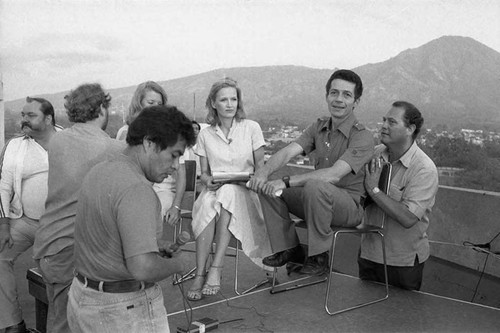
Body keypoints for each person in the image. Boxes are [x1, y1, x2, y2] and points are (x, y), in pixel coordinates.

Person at [67, 106, 195, 333]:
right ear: (149, 143)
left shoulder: (99, 171)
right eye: (174, 155)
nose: (175, 166)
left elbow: (106, 238)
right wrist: (179, 264)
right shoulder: (137, 188)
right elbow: (143, 268)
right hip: (121, 311)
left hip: (83, 298)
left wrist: (151, 245)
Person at [248, 69, 374, 275]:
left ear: (356, 102)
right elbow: (289, 152)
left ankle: (319, 257)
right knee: (267, 188)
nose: (339, 99)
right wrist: (263, 172)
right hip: (315, 199)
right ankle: (289, 248)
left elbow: (333, 175)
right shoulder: (319, 126)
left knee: (315, 186)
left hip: (348, 207)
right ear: (327, 96)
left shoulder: (363, 136)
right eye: (334, 93)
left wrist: (286, 181)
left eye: (346, 95)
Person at [32, 83, 124, 333]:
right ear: (102, 109)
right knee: (67, 324)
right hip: (71, 249)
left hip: (48, 243)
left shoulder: (58, 141)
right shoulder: (113, 149)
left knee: (60, 318)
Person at [187, 78, 272, 301]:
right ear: (213, 104)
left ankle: (215, 267)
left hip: (246, 192)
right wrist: (207, 181)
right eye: (223, 100)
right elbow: (204, 173)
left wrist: (250, 179)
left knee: (227, 194)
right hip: (215, 192)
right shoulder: (205, 134)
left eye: (233, 99)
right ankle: (200, 273)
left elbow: (261, 168)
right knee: (207, 203)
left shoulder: (251, 128)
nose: (229, 104)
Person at [360, 101, 438, 290]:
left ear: (410, 129)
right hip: (368, 254)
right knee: (364, 315)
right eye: (384, 120)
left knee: (400, 318)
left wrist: (374, 190)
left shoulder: (423, 168)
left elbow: (408, 217)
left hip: (402, 263)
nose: (384, 126)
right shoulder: (375, 155)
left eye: (392, 122)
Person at [0, 97, 59, 333]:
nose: (24, 120)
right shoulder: (15, 145)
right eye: (23, 114)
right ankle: (12, 324)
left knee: (57, 272)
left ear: (48, 118)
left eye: (30, 115)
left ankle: (61, 327)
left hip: (60, 226)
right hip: (24, 221)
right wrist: (4, 228)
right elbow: (3, 187)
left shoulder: (67, 141)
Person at [117, 81, 185, 225]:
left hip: (162, 189)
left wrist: (176, 206)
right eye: (151, 102)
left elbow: (181, 173)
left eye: (159, 104)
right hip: (132, 188)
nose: (155, 108)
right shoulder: (124, 132)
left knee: (147, 211)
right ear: (139, 104)